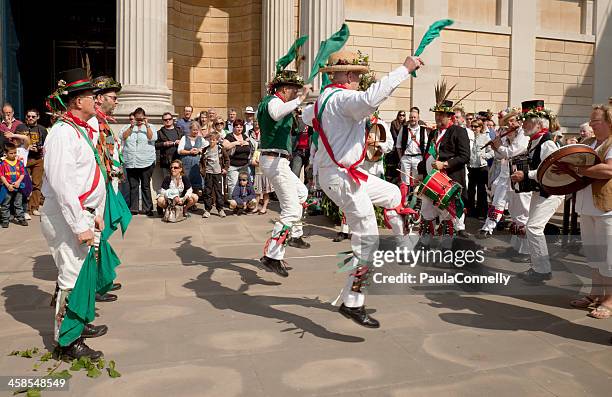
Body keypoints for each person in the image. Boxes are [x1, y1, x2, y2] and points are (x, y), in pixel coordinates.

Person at [302, 48, 423, 328]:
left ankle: (404, 247)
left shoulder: (323, 100)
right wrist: (404, 69)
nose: (359, 78)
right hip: (340, 177)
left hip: (346, 174)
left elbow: (307, 116)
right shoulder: (343, 98)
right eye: (356, 74)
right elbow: (370, 99)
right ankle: (353, 302)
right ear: (343, 75)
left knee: (393, 194)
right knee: (367, 238)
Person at [41, 68, 107, 360]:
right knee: (71, 275)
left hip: (82, 214)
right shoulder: (61, 133)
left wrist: (93, 213)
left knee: (82, 273)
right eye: (92, 97)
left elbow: (84, 177)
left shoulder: (79, 130)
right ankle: (66, 342)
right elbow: (62, 183)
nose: (97, 101)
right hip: (67, 217)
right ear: (77, 101)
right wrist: (80, 222)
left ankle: (78, 323)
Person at [257, 62, 312, 277]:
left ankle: (296, 234)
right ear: (284, 89)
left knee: (302, 193)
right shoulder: (271, 102)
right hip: (273, 160)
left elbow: (297, 121)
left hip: (280, 161)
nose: (296, 93)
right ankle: (272, 256)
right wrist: (300, 99)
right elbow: (277, 113)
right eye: (294, 90)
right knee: (290, 210)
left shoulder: (283, 104)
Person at [510, 100, 564, 283]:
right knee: (532, 227)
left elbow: (549, 169)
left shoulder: (547, 143)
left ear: (539, 124)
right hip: (541, 190)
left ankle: (542, 270)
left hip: (551, 191)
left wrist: (525, 174)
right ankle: (538, 267)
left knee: (533, 227)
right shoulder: (535, 140)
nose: (523, 124)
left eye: (527, 121)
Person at [566, 104, 612, 319]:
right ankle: (595, 293)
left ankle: (610, 300)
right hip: (586, 206)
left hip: (607, 207)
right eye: (591, 120)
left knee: (608, 257)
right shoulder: (588, 143)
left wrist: (579, 170)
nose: (591, 124)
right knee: (594, 255)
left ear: (609, 122)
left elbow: (608, 170)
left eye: (596, 121)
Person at [418, 90, 471, 246]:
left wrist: (446, 164)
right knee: (426, 209)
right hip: (431, 178)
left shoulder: (459, 131)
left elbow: (464, 156)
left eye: (442, 114)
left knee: (447, 213)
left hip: (449, 179)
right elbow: (426, 154)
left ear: (450, 117)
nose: (438, 117)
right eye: (437, 114)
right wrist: (422, 172)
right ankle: (424, 241)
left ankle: (447, 245)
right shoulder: (433, 133)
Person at [122, 107, 156, 216]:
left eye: (141, 119)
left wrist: (146, 125)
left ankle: (148, 208)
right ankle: (134, 208)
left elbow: (152, 138)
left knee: (145, 186)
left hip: (146, 161)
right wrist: (132, 126)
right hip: (131, 161)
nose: (139, 121)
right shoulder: (128, 127)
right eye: (137, 119)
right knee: (133, 186)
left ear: (145, 118)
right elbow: (123, 137)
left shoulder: (150, 127)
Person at [18, 109, 47, 216]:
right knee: (23, 184)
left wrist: (39, 148)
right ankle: (23, 208)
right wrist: (26, 147)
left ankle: (33, 207)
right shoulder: (20, 128)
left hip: (38, 159)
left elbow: (45, 145)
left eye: (33, 117)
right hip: (24, 160)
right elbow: (15, 142)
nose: (30, 118)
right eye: (28, 116)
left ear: (37, 117)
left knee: (36, 184)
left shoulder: (42, 129)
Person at [466, 119, 493, 219]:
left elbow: (492, 152)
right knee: (470, 190)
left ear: (481, 127)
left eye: (476, 126)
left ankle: (482, 212)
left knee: (482, 190)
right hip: (471, 166)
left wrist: (484, 156)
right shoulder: (469, 138)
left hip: (482, 167)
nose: (473, 128)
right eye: (472, 126)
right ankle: (471, 211)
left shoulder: (485, 138)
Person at [200, 131, 228, 218]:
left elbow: (227, 159)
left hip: (218, 173)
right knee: (207, 191)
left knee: (218, 191)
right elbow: (201, 161)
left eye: (214, 140)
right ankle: (207, 210)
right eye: (210, 139)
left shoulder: (220, 149)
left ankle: (220, 209)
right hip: (208, 173)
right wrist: (202, 171)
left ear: (217, 140)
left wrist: (225, 168)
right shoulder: (205, 149)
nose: (212, 141)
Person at [178, 121, 208, 200]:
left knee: (195, 186)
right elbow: (179, 150)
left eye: (197, 130)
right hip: (185, 164)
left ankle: (193, 203)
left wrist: (199, 150)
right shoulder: (184, 138)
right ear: (190, 129)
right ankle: (184, 202)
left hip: (196, 165)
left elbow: (207, 147)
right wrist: (189, 152)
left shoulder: (201, 139)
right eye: (194, 130)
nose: (195, 132)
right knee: (185, 184)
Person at [397, 109, 426, 189]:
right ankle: (405, 200)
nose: (412, 119)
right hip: (405, 158)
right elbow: (398, 145)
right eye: (411, 117)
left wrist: (423, 159)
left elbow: (426, 145)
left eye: (414, 117)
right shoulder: (404, 129)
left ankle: (415, 199)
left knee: (416, 181)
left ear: (418, 118)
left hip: (418, 158)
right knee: (404, 182)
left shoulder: (423, 130)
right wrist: (401, 158)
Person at [0, 143, 27, 227]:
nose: (13, 154)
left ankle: (21, 218)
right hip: (7, 187)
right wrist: (8, 185)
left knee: (18, 203)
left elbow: (22, 173)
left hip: (18, 186)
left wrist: (18, 182)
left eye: (15, 152)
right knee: (5, 204)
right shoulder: (3, 164)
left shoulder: (19, 163)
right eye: (11, 153)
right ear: (6, 153)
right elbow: (2, 175)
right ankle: (5, 220)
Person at [223, 119, 251, 197]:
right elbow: (224, 146)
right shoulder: (229, 136)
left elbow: (251, 146)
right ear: (233, 127)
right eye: (237, 127)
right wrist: (236, 143)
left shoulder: (245, 136)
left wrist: (247, 142)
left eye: (241, 127)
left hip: (244, 165)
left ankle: (242, 201)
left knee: (244, 184)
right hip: (233, 166)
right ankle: (234, 203)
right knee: (233, 184)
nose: (239, 129)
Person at [155, 112, 183, 179]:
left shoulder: (179, 130)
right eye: (165, 120)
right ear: (163, 121)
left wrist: (181, 142)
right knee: (167, 181)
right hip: (166, 161)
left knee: (178, 181)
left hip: (178, 160)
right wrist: (164, 144)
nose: (168, 120)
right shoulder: (159, 132)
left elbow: (186, 142)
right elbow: (155, 145)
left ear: (172, 119)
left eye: (169, 119)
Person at [251, 146, 273, 214]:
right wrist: (262, 163)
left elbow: (270, 163)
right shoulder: (257, 152)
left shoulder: (269, 153)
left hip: (266, 174)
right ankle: (256, 207)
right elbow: (253, 162)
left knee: (266, 192)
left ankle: (264, 207)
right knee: (257, 192)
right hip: (258, 174)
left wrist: (259, 162)